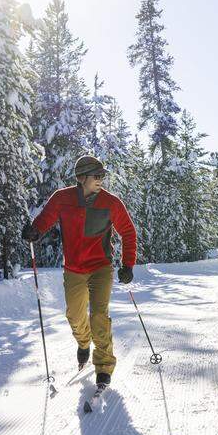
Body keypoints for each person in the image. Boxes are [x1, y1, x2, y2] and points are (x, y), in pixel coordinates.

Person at [22, 155, 137, 388]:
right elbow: (44, 221)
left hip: (100, 268)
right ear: (82, 178)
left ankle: (104, 367)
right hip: (73, 268)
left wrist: (127, 265)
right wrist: (34, 232)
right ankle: (83, 343)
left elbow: (128, 232)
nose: (101, 180)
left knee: (99, 315)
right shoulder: (62, 198)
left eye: (103, 176)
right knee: (74, 315)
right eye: (97, 176)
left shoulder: (111, 202)